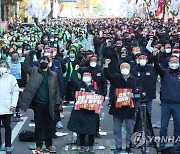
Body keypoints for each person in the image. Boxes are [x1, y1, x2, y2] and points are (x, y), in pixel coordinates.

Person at [19, 55, 62, 153]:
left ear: (49, 63)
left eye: (45, 60)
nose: (43, 62)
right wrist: (29, 54)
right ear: (39, 62)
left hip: (50, 103)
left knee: (50, 126)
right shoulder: (34, 71)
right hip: (38, 103)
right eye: (41, 60)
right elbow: (25, 67)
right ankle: (39, 145)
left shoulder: (53, 75)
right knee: (38, 125)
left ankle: (49, 145)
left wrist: (57, 102)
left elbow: (57, 89)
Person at [104, 59, 141, 154]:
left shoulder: (135, 80)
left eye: (126, 67)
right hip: (117, 108)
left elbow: (140, 93)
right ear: (120, 69)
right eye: (123, 67)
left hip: (129, 108)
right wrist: (106, 66)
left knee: (130, 129)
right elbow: (107, 75)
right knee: (117, 129)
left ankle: (129, 146)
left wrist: (134, 96)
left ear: (130, 69)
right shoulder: (116, 78)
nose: (125, 69)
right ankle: (118, 146)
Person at [67, 66, 100, 153]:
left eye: (88, 75)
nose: (86, 76)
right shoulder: (79, 84)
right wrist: (75, 70)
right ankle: (82, 145)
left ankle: (91, 145)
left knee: (91, 130)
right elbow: (72, 78)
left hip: (91, 112)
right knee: (81, 129)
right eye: (84, 74)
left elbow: (99, 96)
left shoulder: (95, 86)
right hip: (81, 111)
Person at [153, 48, 180, 151]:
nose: (174, 63)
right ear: (169, 63)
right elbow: (157, 66)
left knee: (178, 126)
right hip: (166, 104)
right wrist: (156, 56)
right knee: (164, 126)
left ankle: (177, 145)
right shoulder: (164, 73)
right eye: (172, 62)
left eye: (176, 62)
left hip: (178, 104)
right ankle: (162, 145)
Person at [0, 60, 19, 153]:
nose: (2, 67)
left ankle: (8, 145)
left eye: (4, 66)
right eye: (1, 65)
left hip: (7, 107)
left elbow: (15, 92)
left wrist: (13, 104)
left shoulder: (11, 78)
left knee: (8, 127)